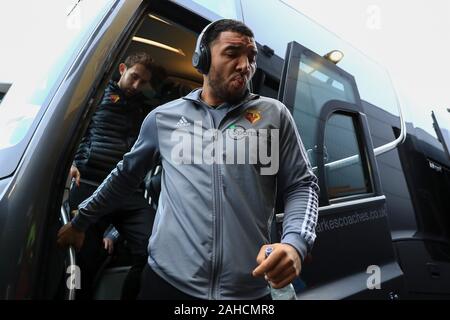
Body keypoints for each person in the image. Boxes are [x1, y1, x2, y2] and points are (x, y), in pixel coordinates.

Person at [57, 19, 319, 300]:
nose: (245, 65)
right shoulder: (163, 118)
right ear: (203, 58)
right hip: (166, 283)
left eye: (251, 57)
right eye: (232, 54)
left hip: (247, 292)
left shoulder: (274, 115)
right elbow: (125, 176)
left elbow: (302, 185)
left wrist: (294, 244)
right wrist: (81, 220)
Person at [65, 52, 157, 299]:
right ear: (122, 69)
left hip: (126, 188)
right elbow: (75, 130)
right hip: (89, 181)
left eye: (143, 82)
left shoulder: (146, 111)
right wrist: (71, 162)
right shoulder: (96, 95)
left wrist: (113, 233)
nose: (137, 85)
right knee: (86, 257)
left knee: (154, 249)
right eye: (134, 77)